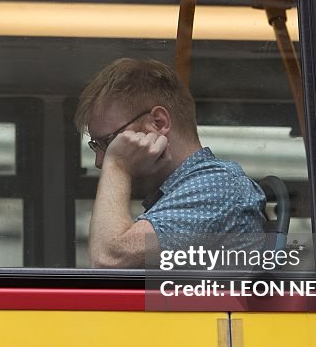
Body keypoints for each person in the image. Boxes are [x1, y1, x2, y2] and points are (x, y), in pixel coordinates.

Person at [74, 58, 267, 268]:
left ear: (159, 123)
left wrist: (118, 165)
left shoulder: (217, 188)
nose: (100, 161)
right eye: (97, 146)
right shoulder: (179, 196)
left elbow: (109, 259)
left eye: (108, 142)